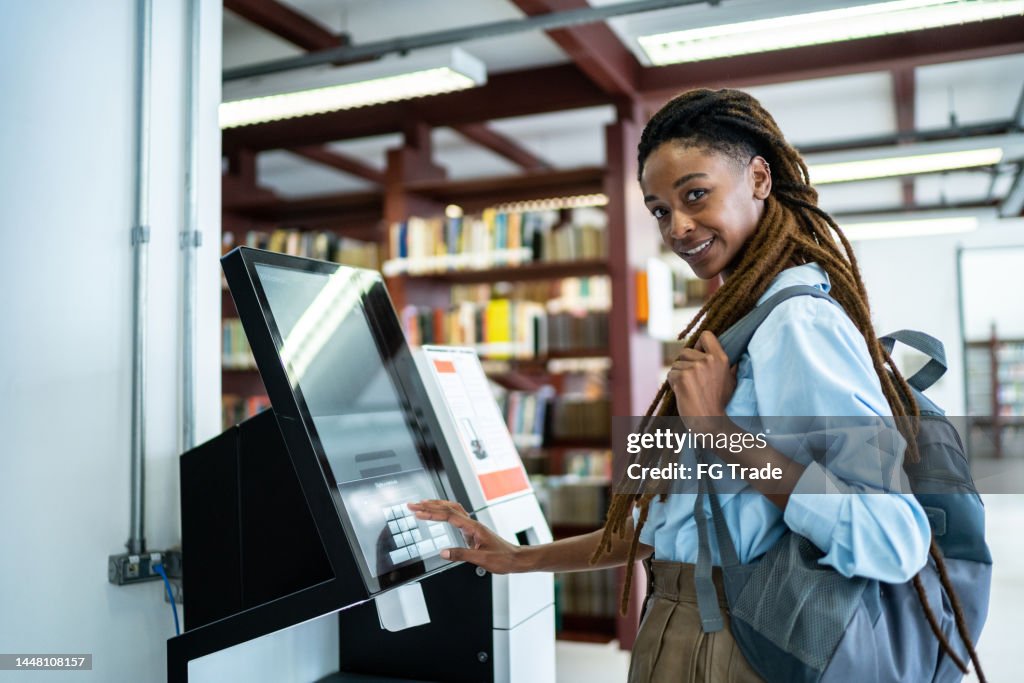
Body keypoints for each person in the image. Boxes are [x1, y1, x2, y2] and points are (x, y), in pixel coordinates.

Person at [409, 88, 941, 682]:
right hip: (678, 619)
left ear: (759, 178)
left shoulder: (798, 323)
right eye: (660, 210)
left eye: (695, 194)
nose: (678, 226)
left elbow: (893, 536)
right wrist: (519, 557)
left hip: (739, 642)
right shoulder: (735, 321)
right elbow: (662, 529)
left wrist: (721, 433)